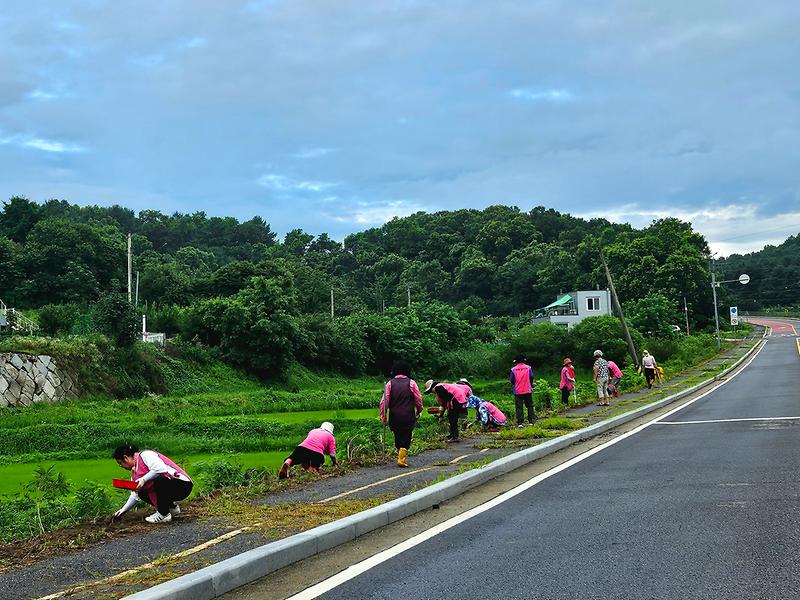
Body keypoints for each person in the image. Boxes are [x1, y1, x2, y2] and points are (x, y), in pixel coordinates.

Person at [112, 444, 193, 524]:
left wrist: (144, 479)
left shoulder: (145, 455)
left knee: (159, 481)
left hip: (183, 485)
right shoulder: (135, 474)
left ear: (126, 458)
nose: (121, 466)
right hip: (171, 488)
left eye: (120, 463)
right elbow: (135, 495)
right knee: (141, 492)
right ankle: (172, 508)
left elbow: (160, 469)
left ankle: (163, 514)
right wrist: (123, 510)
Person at [380, 360, 423, 468]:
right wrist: (419, 409)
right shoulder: (412, 383)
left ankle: (400, 454)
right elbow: (418, 398)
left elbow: (384, 401)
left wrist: (383, 415)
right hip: (408, 415)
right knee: (406, 436)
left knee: (397, 435)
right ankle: (402, 459)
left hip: (394, 416)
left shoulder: (390, 383)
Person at [510, 355, 535, 427]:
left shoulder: (513, 369)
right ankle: (531, 421)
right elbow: (531, 377)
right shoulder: (528, 368)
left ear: (516, 361)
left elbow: (512, 380)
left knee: (519, 407)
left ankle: (520, 423)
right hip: (527, 389)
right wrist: (530, 384)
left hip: (518, 391)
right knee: (530, 405)